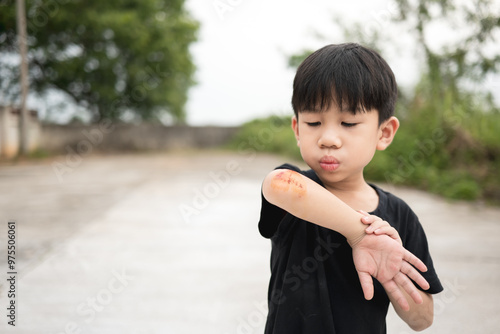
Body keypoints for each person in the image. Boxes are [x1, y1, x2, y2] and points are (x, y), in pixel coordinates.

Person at [258, 43, 443, 333]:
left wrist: (391, 271)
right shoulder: (296, 190)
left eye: (348, 122)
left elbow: (422, 319)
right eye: (314, 122)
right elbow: (277, 184)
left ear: (384, 133)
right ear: (297, 129)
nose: (328, 138)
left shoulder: (399, 216)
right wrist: (359, 234)